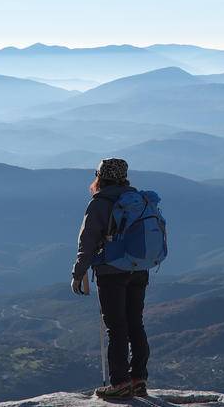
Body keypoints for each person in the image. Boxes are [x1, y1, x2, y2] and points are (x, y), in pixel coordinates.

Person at [72, 157, 151, 400]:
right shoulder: (138, 200)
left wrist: (78, 273)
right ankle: (138, 379)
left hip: (110, 273)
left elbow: (87, 242)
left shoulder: (100, 203)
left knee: (116, 327)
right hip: (139, 269)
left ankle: (119, 383)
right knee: (135, 323)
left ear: (100, 177)